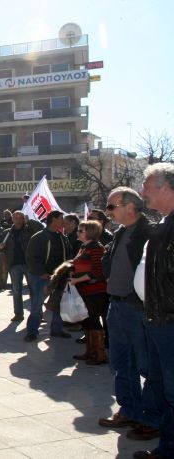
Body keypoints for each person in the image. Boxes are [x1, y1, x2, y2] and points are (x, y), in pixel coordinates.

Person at [98, 187, 161, 442]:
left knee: (146, 365)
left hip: (138, 309)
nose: (108, 212)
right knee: (121, 363)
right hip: (117, 305)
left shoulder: (150, 233)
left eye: (112, 207)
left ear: (130, 207)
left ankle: (151, 419)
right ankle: (129, 410)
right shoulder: (120, 233)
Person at [135, 163, 174, 459]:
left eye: (147, 186)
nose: (143, 192)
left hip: (169, 322)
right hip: (158, 320)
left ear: (165, 187)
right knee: (165, 389)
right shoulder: (163, 224)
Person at [24, 210, 72, 341]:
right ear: (54, 220)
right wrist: (40, 272)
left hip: (60, 277)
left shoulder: (63, 237)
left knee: (58, 305)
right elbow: (31, 257)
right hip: (43, 278)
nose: (64, 222)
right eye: (62, 219)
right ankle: (32, 332)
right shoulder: (39, 237)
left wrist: (67, 272)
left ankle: (57, 330)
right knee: (37, 306)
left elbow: (68, 257)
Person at [68, 220, 108, 364]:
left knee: (93, 321)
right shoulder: (84, 247)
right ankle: (90, 352)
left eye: (81, 230)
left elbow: (97, 271)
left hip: (95, 291)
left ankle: (99, 354)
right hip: (85, 290)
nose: (78, 233)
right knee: (87, 321)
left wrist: (77, 280)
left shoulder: (96, 248)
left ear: (90, 232)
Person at [0, 210, 35, 322]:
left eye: (20, 218)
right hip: (14, 265)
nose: (18, 220)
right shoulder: (6, 233)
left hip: (29, 265)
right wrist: (0, 247)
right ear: (12, 219)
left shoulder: (30, 231)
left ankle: (37, 313)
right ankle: (18, 314)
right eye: (16, 218)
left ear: (24, 219)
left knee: (34, 290)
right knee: (16, 291)